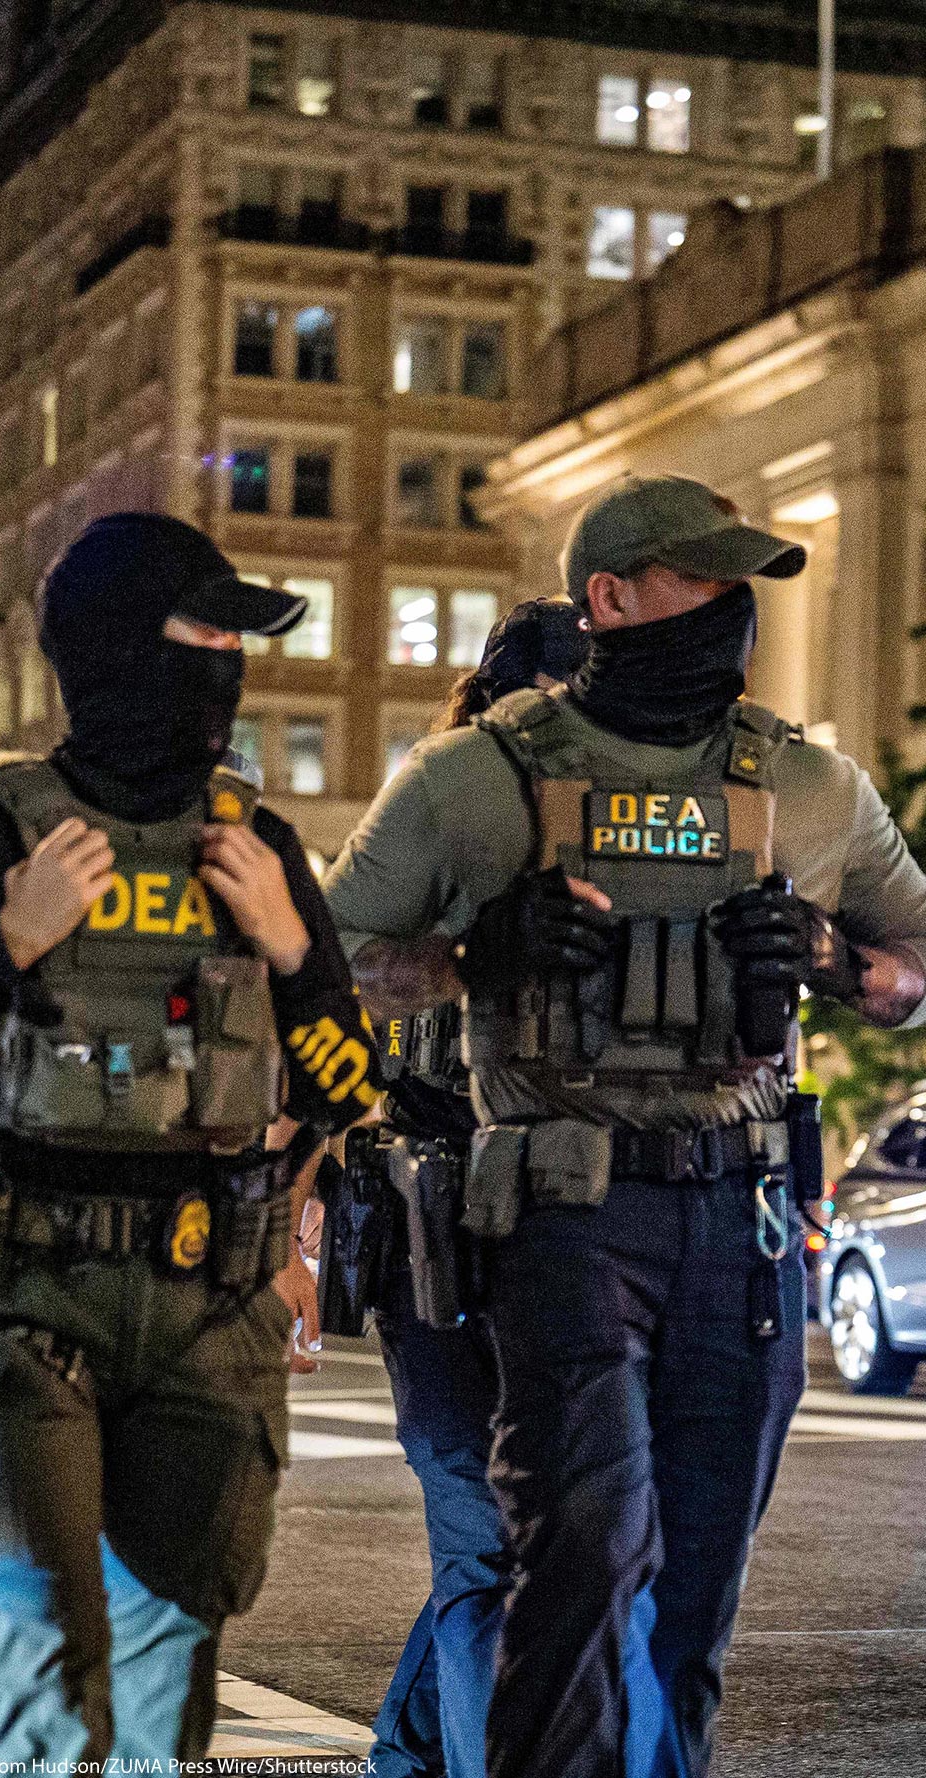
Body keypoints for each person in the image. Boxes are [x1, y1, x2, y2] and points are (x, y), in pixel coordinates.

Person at [324, 475, 926, 1778]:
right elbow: (327, 957)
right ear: (608, 599)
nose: (735, 609)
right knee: (559, 1565)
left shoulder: (814, 788)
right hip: (550, 1214)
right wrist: (475, 954)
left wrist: (834, 955)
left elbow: (913, 961)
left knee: (685, 1604)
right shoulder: (472, 783)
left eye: (742, 582)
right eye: (702, 580)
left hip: (744, 1226)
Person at [0, 512, 379, 1765]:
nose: (228, 659)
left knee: (161, 1692)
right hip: (19, 1299)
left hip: (205, 1312)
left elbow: (349, 1087)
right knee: (34, 1672)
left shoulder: (258, 847)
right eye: (206, 628)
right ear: (121, 642)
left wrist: (292, 950)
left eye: (239, 637)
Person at [365, 599, 607, 1778]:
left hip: (568, 1233)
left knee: (526, 1547)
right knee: (488, 1543)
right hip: (440, 1234)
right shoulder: (434, 817)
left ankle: (413, 1753)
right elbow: (338, 981)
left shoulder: (609, 843)